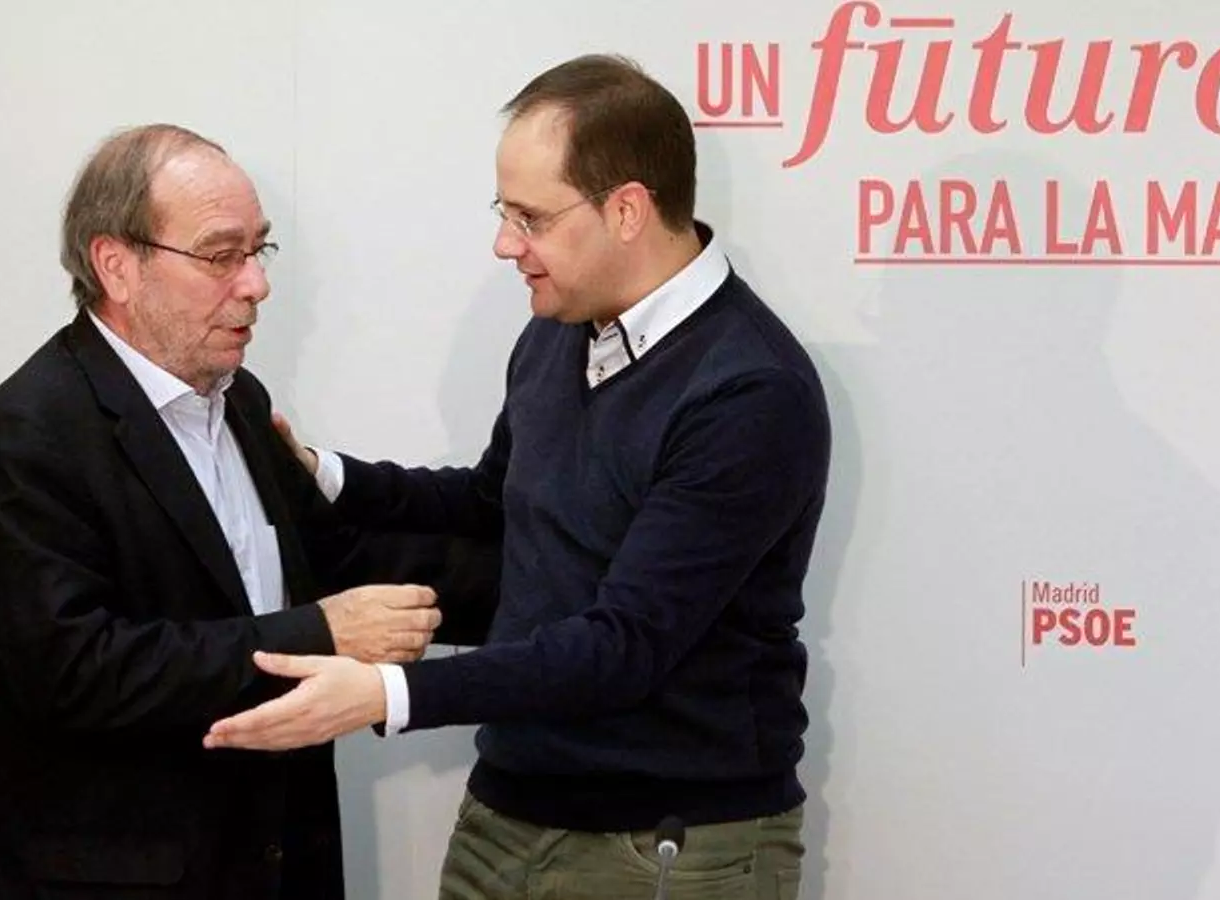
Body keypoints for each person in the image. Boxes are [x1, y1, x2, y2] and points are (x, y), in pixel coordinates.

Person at [206, 55, 832, 899]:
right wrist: (325, 475)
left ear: (627, 210)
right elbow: (492, 500)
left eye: (530, 218)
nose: (506, 245)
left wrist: (387, 692)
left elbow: (624, 647)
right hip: (507, 811)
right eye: (505, 214)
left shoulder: (750, 391)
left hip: (668, 844)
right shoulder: (559, 328)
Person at [0, 123, 497, 900]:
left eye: (259, 250)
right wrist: (319, 634)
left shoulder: (238, 400)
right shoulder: (36, 429)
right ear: (116, 266)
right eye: (221, 256)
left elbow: (338, 559)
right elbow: (76, 672)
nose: (255, 284)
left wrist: (561, 588)